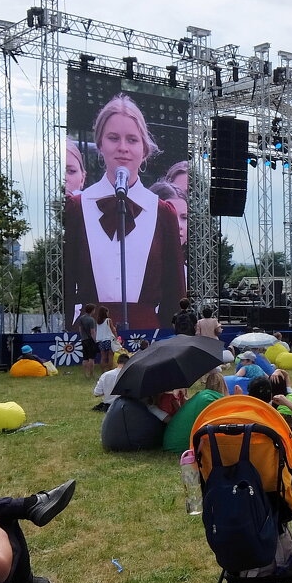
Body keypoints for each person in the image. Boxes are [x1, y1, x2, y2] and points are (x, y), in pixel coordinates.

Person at [63, 94, 185, 328]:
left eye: (132, 139)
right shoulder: (77, 209)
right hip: (89, 335)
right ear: (100, 144)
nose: (122, 148)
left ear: (144, 149)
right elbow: (66, 288)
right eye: (113, 138)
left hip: (149, 340)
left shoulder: (162, 213)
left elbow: (175, 295)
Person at [74, 303, 98, 378]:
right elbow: (92, 332)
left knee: (85, 358)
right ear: (92, 310)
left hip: (84, 340)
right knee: (91, 358)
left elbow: (80, 329)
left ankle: (85, 374)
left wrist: (82, 337)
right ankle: (91, 373)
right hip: (90, 340)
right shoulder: (91, 320)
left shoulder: (81, 318)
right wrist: (95, 340)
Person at [93, 305, 118, 375]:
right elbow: (113, 329)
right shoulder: (108, 320)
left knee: (103, 357)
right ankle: (110, 371)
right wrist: (116, 337)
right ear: (105, 313)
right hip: (109, 340)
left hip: (101, 341)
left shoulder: (97, 322)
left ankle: (103, 372)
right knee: (110, 356)